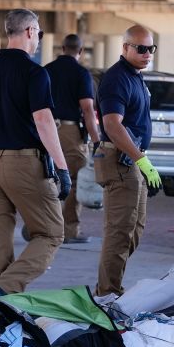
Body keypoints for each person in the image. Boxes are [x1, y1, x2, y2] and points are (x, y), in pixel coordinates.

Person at [0, 8, 72, 297]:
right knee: (51, 234)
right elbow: (43, 121)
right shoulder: (35, 73)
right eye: (38, 32)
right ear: (29, 31)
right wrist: (62, 168)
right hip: (24, 164)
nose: (38, 38)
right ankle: (2, 291)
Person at [93, 25, 162, 296]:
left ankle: (109, 285)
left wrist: (142, 160)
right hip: (121, 160)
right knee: (119, 232)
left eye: (150, 49)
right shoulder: (117, 78)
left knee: (135, 229)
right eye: (141, 48)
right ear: (125, 48)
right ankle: (107, 293)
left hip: (133, 160)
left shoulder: (136, 77)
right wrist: (141, 159)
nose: (147, 54)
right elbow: (112, 124)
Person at [44, 34, 100, 244]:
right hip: (69, 133)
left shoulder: (46, 71)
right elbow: (87, 108)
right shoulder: (81, 73)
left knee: (48, 179)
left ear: (62, 47)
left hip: (46, 129)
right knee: (74, 181)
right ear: (81, 51)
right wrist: (96, 140)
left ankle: (44, 228)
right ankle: (68, 231)